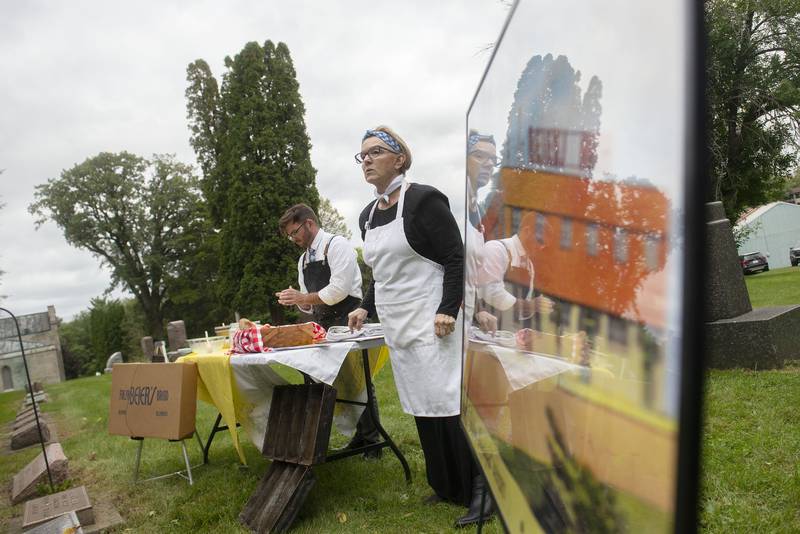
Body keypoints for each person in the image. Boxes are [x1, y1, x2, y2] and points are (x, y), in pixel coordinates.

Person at [347, 125, 492, 527]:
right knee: (423, 408)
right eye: (363, 155)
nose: (368, 160)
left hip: (435, 322)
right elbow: (382, 273)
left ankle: (483, 489)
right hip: (399, 325)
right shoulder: (367, 216)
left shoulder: (425, 201)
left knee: (450, 407)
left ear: (400, 158)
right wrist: (364, 306)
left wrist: (449, 307)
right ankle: (447, 485)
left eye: (376, 151)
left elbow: (454, 256)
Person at [276, 203, 382, 458]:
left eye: (294, 232)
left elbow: (338, 291)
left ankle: (373, 442)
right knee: (337, 382)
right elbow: (311, 305)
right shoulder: (303, 260)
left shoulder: (337, 245)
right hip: (323, 327)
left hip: (349, 322)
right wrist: (298, 301)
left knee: (358, 382)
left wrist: (304, 297)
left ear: (309, 224)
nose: (293, 239)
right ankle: (358, 437)